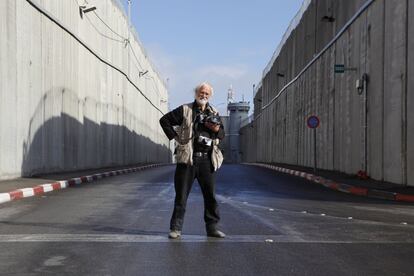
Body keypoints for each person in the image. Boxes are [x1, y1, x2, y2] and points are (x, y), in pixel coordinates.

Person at [159, 82, 225, 239]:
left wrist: (216, 130)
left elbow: (222, 134)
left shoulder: (214, 112)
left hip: (207, 161)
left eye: (207, 94)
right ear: (196, 93)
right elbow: (164, 121)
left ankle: (212, 228)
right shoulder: (185, 109)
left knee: (210, 196)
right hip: (187, 160)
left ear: (210, 96)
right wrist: (176, 138)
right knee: (181, 196)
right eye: (201, 93)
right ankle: (176, 229)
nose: (204, 95)